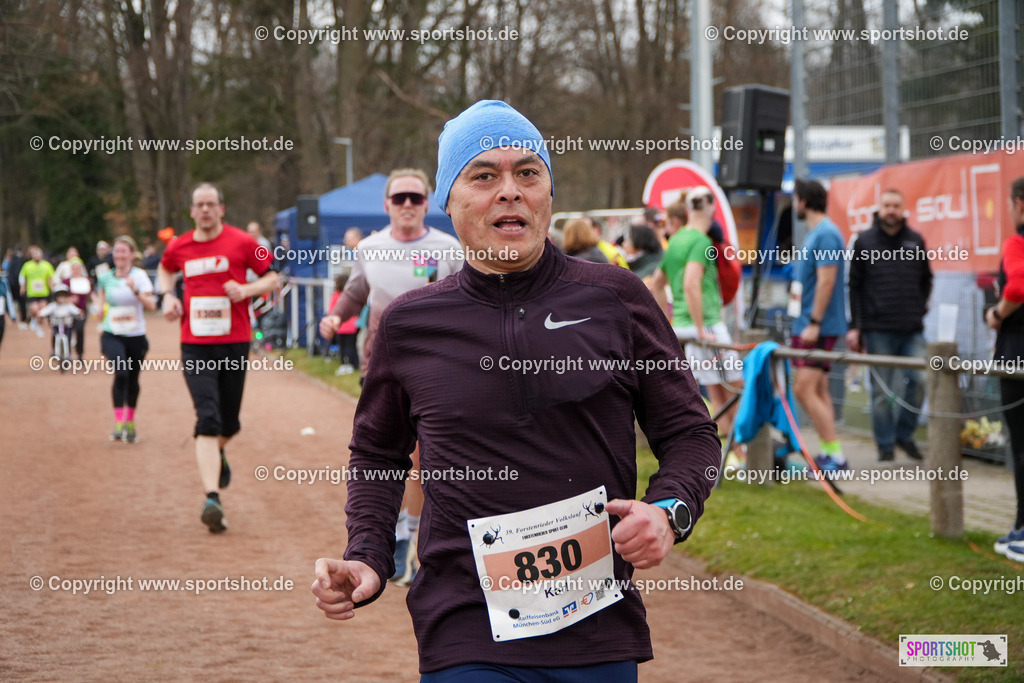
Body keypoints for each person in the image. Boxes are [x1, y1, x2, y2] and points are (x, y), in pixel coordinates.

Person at [311, 100, 721, 680]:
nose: (510, 191)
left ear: (548, 197)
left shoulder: (617, 299)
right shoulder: (409, 324)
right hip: (465, 627)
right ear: (449, 204)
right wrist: (369, 556)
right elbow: (378, 453)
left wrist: (669, 510)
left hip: (596, 630)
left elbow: (690, 432)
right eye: (484, 176)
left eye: (528, 173)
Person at [318, 168, 464, 585]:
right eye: (398, 198)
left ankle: (411, 539)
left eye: (415, 198)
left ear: (426, 204)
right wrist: (335, 316)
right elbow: (355, 292)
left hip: (436, 367)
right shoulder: (370, 247)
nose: (406, 205)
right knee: (383, 451)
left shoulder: (448, 248)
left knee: (420, 454)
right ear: (386, 205)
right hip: (381, 366)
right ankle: (393, 531)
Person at [157, 182, 278, 533]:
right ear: (192, 211)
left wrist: (246, 289)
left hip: (234, 342)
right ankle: (212, 497)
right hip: (194, 344)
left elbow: (273, 278)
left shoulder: (243, 243)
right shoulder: (179, 246)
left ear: (221, 209)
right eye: (200, 205)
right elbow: (166, 269)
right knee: (206, 418)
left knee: (230, 424)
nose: (206, 210)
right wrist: (167, 296)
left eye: (212, 204)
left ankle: (218, 452)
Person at [651, 190, 745, 446]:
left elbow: (656, 284)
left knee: (717, 393)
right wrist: (701, 327)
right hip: (707, 327)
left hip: (685, 327)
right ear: (712, 208)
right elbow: (692, 283)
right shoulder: (701, 242)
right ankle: (746, 452)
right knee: (739, 388)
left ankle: (735, 454)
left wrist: (668, 323)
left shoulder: (677, 240)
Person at [846, 189, 931, 462]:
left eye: (896, 205)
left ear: (903, 208)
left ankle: (904, 435)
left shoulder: (915, 241)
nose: (891, 210)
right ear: (879, 208)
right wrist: (856, 326)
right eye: (887, 205)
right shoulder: (864, 241)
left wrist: (919, 307)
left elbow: (926, 280)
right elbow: (855, 287)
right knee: (882, 392)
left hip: (911, 328)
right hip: (877, 328)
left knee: (921, 381)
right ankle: (885, 445)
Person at [790, 179, 848, 473]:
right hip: (808, 323)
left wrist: (814, 322)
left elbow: (827, 280)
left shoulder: (825, 234)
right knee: (819, 388)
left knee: (803, 388)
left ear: (803, 201)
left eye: (795, 198)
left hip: (818, 327)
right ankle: (831, 452)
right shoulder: (816, 233)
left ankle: (835, 456)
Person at [985, 175, 1024, 562]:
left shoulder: (1017, 242)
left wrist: (996, 314)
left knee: (1022, 443)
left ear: (1019, 204)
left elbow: (1017, 287)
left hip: (1017, 355)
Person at [95, 236, 156, 442]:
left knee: (133, 379)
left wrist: (135, 291)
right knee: (121, 372)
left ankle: (130, 422)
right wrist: (99, 310)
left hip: (136, 336)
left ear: (132, 254)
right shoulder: (105, 277)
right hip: (112, 333)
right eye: (117, 251)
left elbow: (152, 305)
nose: (119, 255)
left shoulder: (139, 277)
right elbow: (101, 298)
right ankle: (119, 421)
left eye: (123, 251)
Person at [19, 246, 56, 337]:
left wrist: (53, 289)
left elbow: (51, 278)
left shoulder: (46, 265)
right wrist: (23, 287)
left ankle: (39, 326)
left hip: (43, 292)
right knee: (35, 309)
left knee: (42, 310)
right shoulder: (27, 265)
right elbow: (22, 276)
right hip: (32, 292)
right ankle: (34, 320)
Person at [36, 285, 81, 357]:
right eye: (59, 296)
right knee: (54, 335)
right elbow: (45, 311)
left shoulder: (69, 305)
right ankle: (53, 349)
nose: (61, 299)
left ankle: (68, 353)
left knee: (69, 337)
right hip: (56, 325)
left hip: (67, 325)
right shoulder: (53, 306)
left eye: (63, 296)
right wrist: (40, 314)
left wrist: (79, 313)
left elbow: (76, 311)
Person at [328, 273, 359, 374]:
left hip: (340, 327)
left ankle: (344, 364)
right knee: (351, 346)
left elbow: (331, 311)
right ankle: (352, 364)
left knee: (342, 347)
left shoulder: (335, 296)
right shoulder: (351, 296)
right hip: (351, 327)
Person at [61, 260, 93, 361]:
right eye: (74, 268)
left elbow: (91, 294)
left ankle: (80, 354)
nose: (76, 270)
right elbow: (60, 296)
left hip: (81, 310)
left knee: (79, 331)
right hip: (68, 311)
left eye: (78, 268)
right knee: (68, 331)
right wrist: (69, 299)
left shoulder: (86, 280)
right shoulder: (66, 281)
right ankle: (67, 354)